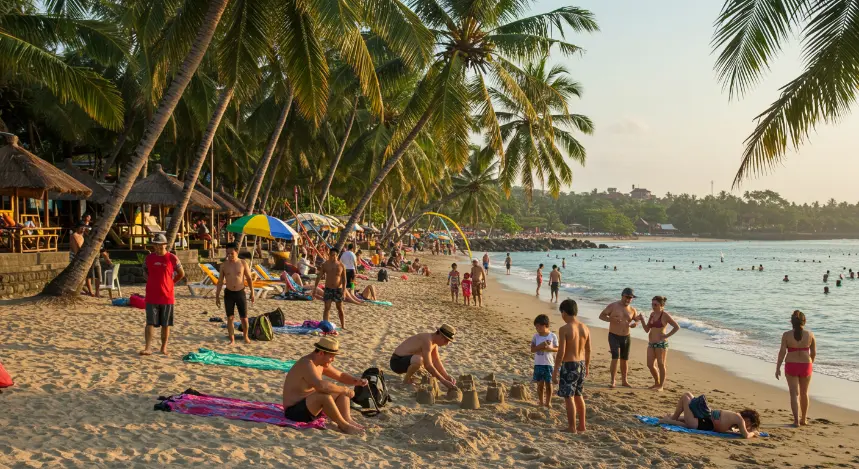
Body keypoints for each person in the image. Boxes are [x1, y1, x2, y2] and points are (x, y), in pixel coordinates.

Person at [281, 338, 367, 434]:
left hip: (309, 404)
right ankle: (344, 425)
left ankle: (347, 419)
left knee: (341, 393)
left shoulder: (321, 363)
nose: (333, 360)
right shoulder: (307, 363)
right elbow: (321, 386)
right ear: (321, 353)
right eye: (331, 356)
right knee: (325, 395)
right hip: (294, 412)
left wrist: (356, 381)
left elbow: (340, 376)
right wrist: (344, 389)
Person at [140, 234, 185, 356]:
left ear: (165, 245)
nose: (157, 247)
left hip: (167, 296)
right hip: (151, 295)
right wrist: (150, 280)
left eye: (160, 244)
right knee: (150, 322)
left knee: (166, 324)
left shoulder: (172, 258)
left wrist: (171, 283)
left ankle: (163, 348)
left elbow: (181, 273)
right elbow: (144, 270)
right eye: (155, 244)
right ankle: (148, 348)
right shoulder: (149, 258)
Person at [553, 299, 591, 433]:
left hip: (569, 364)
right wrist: (587, 366)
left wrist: (555, 370)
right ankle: (582, 425)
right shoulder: (585, 327)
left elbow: (561, 351)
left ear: (564, 312)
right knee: (578, 395)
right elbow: (588, 349)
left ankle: (572, 427)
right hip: (581, 363)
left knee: (568, 397)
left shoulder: (564, 329)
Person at [775, 310, 816, 427]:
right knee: (804, 393)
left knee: (794, 394)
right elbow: (813, 353)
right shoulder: (810, 335)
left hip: (791, 364)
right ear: (805, 321)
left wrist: (777, 367)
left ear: (791, 322)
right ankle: (804, 419)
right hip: (805, 364)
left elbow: (782, 352)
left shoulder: (786, 335)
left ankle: (796, 421)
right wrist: (810, 363)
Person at [659, 393, 761, 438]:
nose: (748, 427)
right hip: (703, 420)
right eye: (750, 425)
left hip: (702, 421)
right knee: (687, 396)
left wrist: (751, 431)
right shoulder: (739, 420)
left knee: (686, 396)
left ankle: (672, 419)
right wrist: (753, 433)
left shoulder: (736, 417)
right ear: (749, 420)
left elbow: (741, 433)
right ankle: (672, 419)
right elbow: (746, 435)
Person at [389, 325, 457, 390]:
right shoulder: (427, 341)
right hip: (396, 362)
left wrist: (447, 377)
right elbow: (428, 365)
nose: (446, 344)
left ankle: (410, 378)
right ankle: (406, 381)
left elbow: (436, 361)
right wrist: (443, 381)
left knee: (422, 362)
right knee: (419, 360)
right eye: (446, 341)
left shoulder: (433, 343)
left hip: (406, 361)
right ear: (441, 336)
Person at [598, 287, 640, 388]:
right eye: (626, 297)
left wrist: (635, 323)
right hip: (614, 335)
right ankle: (613, 380)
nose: (628, 299)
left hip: (626, 336)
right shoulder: (613, 306)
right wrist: (611, 319)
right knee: (615, 357)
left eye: (630, 298)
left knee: (625, 359)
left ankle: (624, 381)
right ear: (622, 295)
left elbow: (636, 320)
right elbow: (601, 316)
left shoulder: (632, 309)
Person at [215, 243, 256, 345]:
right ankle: (232, 339)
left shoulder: (242, 263)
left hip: (240, 292)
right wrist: (217, 296)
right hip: (229, 293)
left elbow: (249, 278)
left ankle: (245, 336)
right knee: (230, 318)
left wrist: (252, 292)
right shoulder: (224, 265)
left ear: (236, 252)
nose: (229, 256)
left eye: (231, 253)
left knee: (244, 318)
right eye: (227, 254)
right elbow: (220, 282)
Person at [640, 296, 680, 391]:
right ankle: (656, 383)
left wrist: (666, 335)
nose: (653, 306)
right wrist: (642, 319)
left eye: (655, 304)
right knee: (650, 365)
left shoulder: (665, 315)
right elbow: (646, 329)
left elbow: (676, 327)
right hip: (651, 344)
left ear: (661, 305)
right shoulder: (652, 314)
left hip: (661, 344)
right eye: (652, 304)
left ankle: (661, 386)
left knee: (661, 364)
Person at [314, 248, 347, 329]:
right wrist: (315, 287)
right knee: (327, 307)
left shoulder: (341, 265)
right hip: (328, 288)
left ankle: (343, 325)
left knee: (339, 308)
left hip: (338, 289)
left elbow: (344, 279)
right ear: (329, 255)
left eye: (335, 255)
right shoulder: (325, 265)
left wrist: (344, 290)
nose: (334, 257)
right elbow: (319, 276)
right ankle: (326, 325)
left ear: (337, 255)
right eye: (332, 255)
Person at [531, 314, 558, 408]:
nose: (537, 328)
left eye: (538, 326)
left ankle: (548, 402)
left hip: (549, 363)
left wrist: (549, 348)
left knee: (549, 383)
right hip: (538, 363)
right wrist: (541, 345)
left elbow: (557, 349)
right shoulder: (536, 337)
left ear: (545, 325)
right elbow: (532, 349)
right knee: (540, 384)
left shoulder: (552, 336)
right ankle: (541, 401)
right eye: (536, 326)